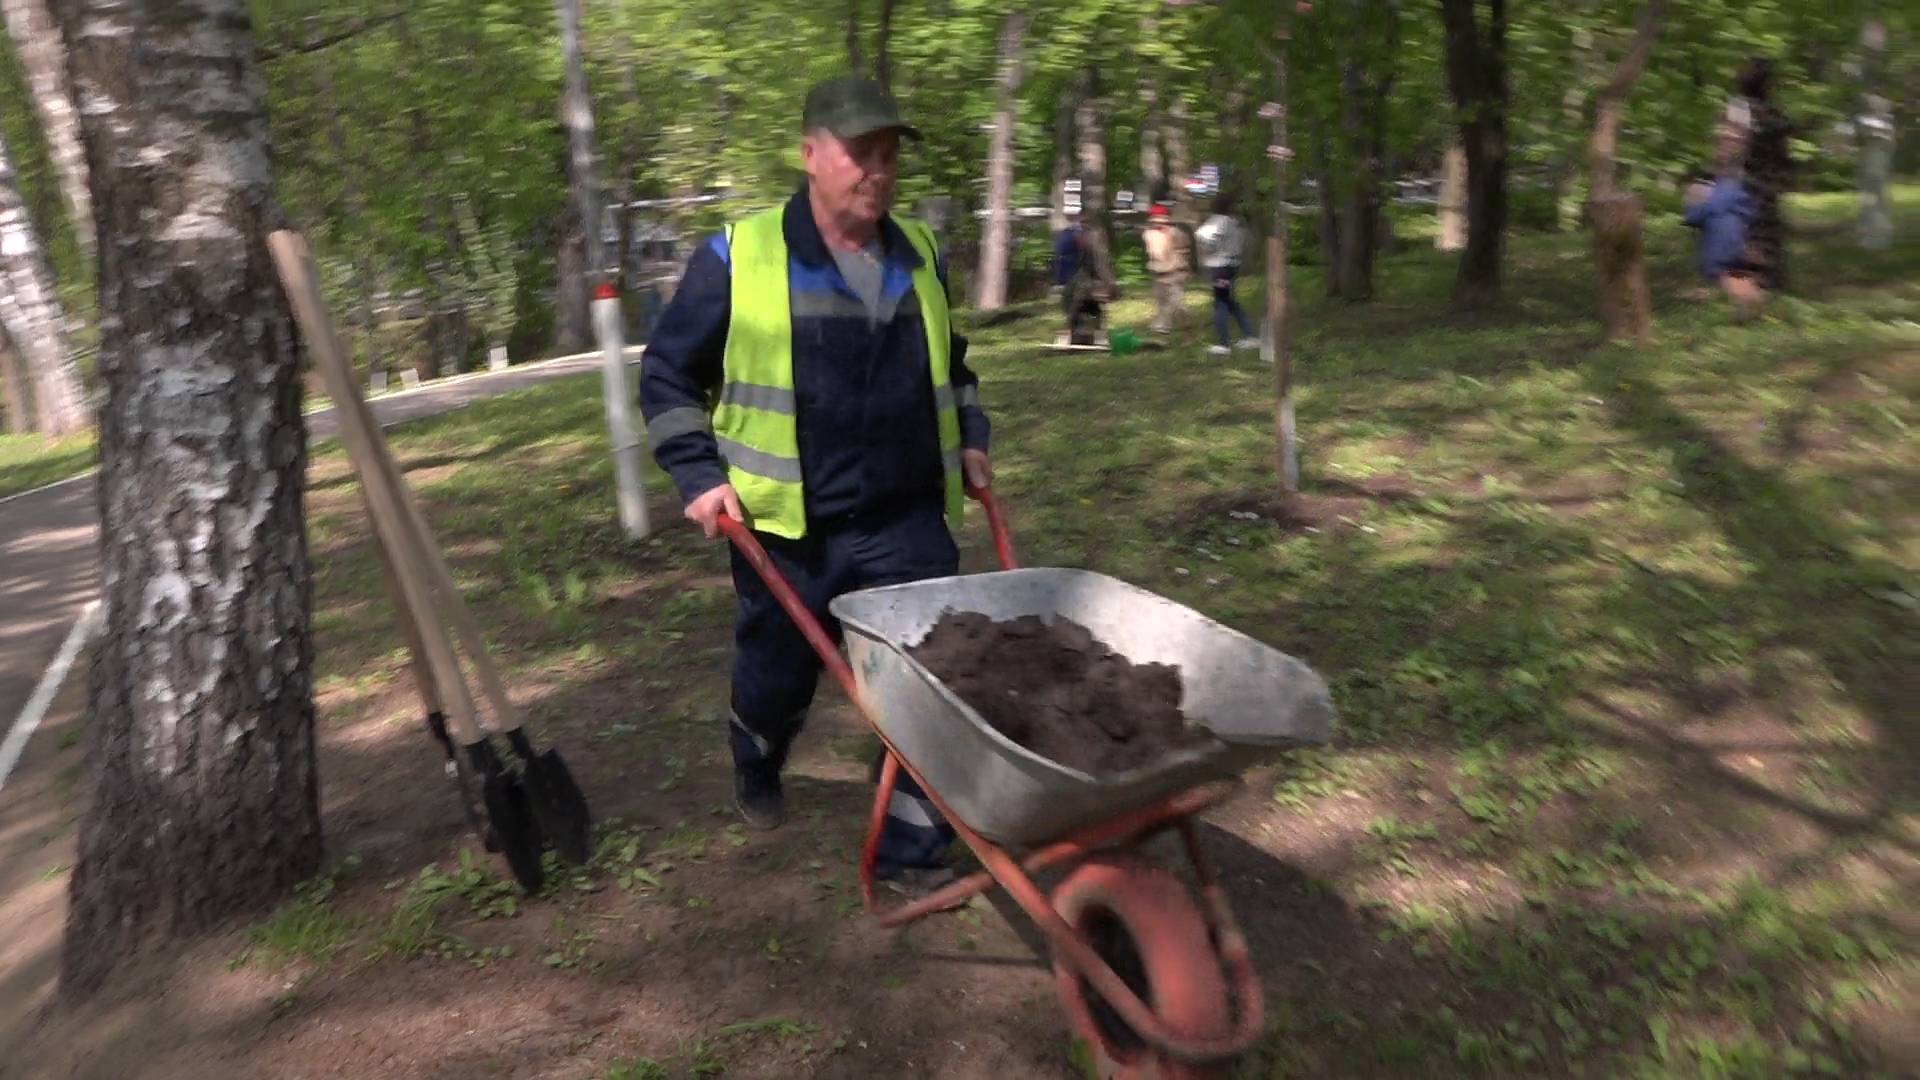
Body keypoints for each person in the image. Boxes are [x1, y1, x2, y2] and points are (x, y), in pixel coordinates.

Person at [637, 74, 993, 897]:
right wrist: (698, 477)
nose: (879, 171)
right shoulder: (738, 257)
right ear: (809, 153)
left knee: (932, 679)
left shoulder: (920, 253)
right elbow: (667, 376)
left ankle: (910, 852)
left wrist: (972, 438)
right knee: (777, 677)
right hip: (789, 530)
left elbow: (954, 367)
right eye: (861, 153)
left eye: (889, 155)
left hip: (906, 520)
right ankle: (756, 758)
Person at [1728, 57, 1794, 294]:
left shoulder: (1740, 108)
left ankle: (1754, 282)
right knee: (1767, 227)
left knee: (1749, 229)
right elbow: (1783, 148)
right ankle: (1769, 279)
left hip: (1748, 178)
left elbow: (1734, 146)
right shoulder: (1774, 113)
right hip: (1769, 180)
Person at [1681, 166, 1762, 319]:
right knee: (1734, 272)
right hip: (1735, 237)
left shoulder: (1706, 193)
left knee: (1723, 274)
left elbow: (1693, 218)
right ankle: (1752, 304)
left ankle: (1745, 311)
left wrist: (1693, 200)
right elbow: (1749, 214)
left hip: (1718, 240)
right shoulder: (1737, 191)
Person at [1194, 193, 1258, 355]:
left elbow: (1203, 235)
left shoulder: (1219, 220)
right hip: (1231, 265)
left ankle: (1224, 343)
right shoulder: (1237, 222)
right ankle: (1249, 335)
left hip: (1219, 265)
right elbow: (1245, 242)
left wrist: (1210, 250)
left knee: (1221, 302)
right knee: (1229, 300)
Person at [1053, 211, 1106, 345]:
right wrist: (1060, 281)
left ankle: (1097, 337)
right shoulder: (1068, 235)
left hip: (1085, 279)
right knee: (1074, 309)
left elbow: (1096, 261)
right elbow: (1062, 258)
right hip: (1073, 279)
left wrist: (1099, 280)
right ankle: (1068, 338)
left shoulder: (1092, 237)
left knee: (1094, 310)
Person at [1142, 204, 1191, 336]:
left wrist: (1183, 268)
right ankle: (1165, 325)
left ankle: (1187, 327)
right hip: (1158, 272)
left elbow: (1183, 250)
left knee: (1177, 302)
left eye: (1161, 217)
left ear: (1166, 218)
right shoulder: (1148, 234)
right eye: (1155, 217)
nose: (1158, 220)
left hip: (1173, 272)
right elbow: (1151, 252)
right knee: (1161, 300)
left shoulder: (1174, 233)